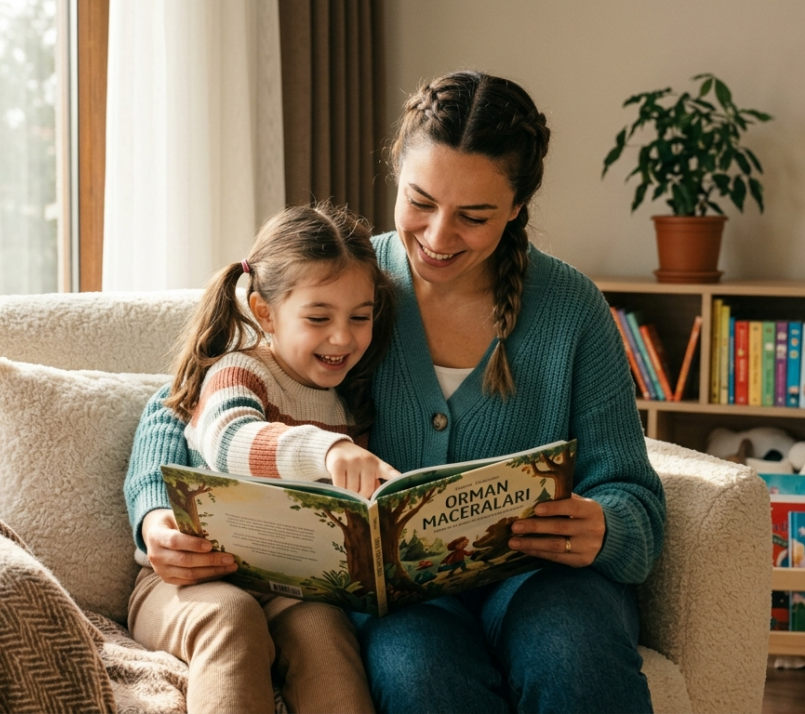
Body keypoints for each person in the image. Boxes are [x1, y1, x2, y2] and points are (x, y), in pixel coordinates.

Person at [126, 71, 666, 713]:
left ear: (517, 206)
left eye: (473, 216)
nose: (438, 238)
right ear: (394, 175)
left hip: (544, 581)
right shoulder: (348, 281)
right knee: (417, 676)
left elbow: (634, 494)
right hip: (407, 600)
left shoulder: (572, 309)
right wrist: (156, 513)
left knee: (573, 656)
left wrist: (606, 527)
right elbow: (187, 400)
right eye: (420, 202)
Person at [124, 203, 397, 714]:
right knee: (232, 618)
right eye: (319, 318)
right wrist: (327, 447)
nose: (343, 337)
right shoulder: (238, 373)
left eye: (360, 317)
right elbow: (231, 443)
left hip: (290, 589)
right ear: (265, 311)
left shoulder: (348, 400)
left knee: (324, 629)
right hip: (182, 583)